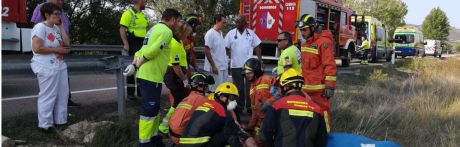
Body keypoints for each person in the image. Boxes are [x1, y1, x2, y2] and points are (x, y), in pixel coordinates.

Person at [133, 8, 182, 147]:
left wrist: (135, 62)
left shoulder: (152, 29)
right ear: (172, 19)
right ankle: (145, 142)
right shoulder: (166, 32)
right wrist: (140, 62)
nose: (178, 24)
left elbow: (141, 49)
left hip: (149, 75)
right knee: (149, 110)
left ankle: (154, 138)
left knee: (154, 109)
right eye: (177, 21)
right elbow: (153, 50)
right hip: (151, 76)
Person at [260, 69, 328, 147]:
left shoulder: (277, 106)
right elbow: (322, 141)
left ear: (285, 87)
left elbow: (264, 136)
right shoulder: (317, 109)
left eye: (280, 87)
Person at [31, 0, 80, 107]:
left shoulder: (62, 13)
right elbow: (38, 33)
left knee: (63, 86)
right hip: (47, 57)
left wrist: (61, 31)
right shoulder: (42, 9)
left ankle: (65, 103)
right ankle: (46, 121)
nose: (60, 1)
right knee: (49, 91)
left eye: (62, 0)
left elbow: (66, 33)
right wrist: (55, 48)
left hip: (59, 53)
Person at [30, 2, 71, 132]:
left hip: (59, 65)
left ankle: (60, 121)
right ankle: (45, 124)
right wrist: (57, 49)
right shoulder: (40, 27)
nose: (59, 16)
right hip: (45, 65)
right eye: (56, 14)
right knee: (48, 95)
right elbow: (37, 48)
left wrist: (62, 27)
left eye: (60, 14)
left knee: (62, 94)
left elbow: (67, 44)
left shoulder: (56, 28)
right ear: (46, 14)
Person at [179, 82, 256, 147]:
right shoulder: (222, 112)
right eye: (232, 98)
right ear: (222, 97)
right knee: (231, 138)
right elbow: (233, 133)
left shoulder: (207, 104)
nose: (234, 102)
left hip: (183, 143)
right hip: (198, 145)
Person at [296, 14, 336, 132]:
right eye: (301, 30)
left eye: (305, 30)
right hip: (305, 90)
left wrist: (329, 86)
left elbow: (329, 65)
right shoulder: (304, 44)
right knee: (307, 118)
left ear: (312, 28)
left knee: (322, 117)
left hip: (319, 91)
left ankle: (326, 139)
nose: (302, 33)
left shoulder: (324, 42)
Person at [158, 20, 193, 135]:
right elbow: (176, 66)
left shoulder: (179, 42)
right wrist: (185, 81)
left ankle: (168, 125)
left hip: (176, 75)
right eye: (186, 33)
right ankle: (166, 126)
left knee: (179, 100)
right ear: (181, 32)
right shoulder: (174, 43)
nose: (187, 36)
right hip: (173, 75)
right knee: (180, 101)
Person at [224, 15, 262, 119]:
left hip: (249, 66)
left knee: (250, 87)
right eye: (236, 22)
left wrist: (260, 60)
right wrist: (227, 59)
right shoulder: (231, 34)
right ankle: (240, 108)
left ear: (245, 24)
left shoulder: (251, 33)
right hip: (236, 65)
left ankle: (250, 108)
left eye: (239, 22)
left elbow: (257, 46)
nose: (237, 24)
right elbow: (226, 47)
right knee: (239, 88)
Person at [166, 72, 214, 144]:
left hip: (172, 133)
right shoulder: (201, 99)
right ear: (199, 87)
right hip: (180, 138)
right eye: (206, 86)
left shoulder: (190, 96)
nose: (208, 89)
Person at [242, 58, 276, 146]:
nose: (247, 76)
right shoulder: (252, 88)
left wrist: (268, 103)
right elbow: (254, 111)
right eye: (246, 74)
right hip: (260, 123)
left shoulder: (268, 80)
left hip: (271, 120)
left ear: (256, 71)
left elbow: (279, 93)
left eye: (249, 73)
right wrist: (250, 126)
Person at [119, 0, 148, 100]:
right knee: (132, 68)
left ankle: (141, 93)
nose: (146, 2)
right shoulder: (128, 14)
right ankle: (130, 94)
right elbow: (122, 29)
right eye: (145, 1)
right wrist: (126, 43)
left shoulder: (142, 15)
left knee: (142, 68)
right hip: (133, 43)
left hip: (142, 44)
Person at [204, 14, 229, 91]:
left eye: (225, 22)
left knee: (222, 90)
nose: (225, 25)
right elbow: (206, 50)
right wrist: (213, 66)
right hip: (216, 67)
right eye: (223, 22)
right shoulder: (210, 33)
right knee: (214, 90)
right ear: (217, 21)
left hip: (223, 66)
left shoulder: (220, 33)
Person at [183, 13, 202, 79]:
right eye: (196, 26)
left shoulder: (190, 39)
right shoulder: (183, 39)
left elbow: (191, 54)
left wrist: (195, 66)